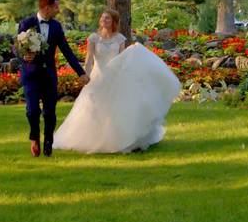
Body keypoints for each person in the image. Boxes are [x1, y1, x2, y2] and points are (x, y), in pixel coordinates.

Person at [52, 8, 182, 154]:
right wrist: (85, 75)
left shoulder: (120, 38)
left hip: (115, 77)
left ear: (114, 21)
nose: (104, 20)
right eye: (102, 18)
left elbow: (122, 59)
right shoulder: (93, 38)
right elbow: (89, 60)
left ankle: (119, 140)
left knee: (117, 109)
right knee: (93, 108)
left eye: (107, 18)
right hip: (98, 77)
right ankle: (92, 138)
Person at [17, 0, 89, 157]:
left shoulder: (56, 26)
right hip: (31, 75)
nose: (58, 9)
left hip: (49, 75)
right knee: (32, 111)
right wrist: (24, 56)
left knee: (50, 112)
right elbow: (16, 47)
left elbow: (67, 51)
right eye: (56, 6)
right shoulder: (26, 23)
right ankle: (34, 137)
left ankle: (48, 141)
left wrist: (81, 73)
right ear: (47, 8)